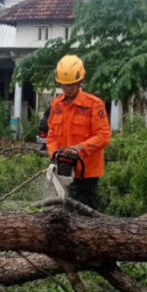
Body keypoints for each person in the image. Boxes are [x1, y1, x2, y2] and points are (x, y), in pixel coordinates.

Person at [46, 55, 111, 209]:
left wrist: (80, 148)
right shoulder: (57, 105)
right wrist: (56, 153)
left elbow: (104, 136)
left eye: (71, 85)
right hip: (63, 171)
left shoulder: (94, 104)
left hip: (86, 174)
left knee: (85, 214)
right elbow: (51, 136)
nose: (67, 89)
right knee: (61, 211)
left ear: (80, 81)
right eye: (64, 85)